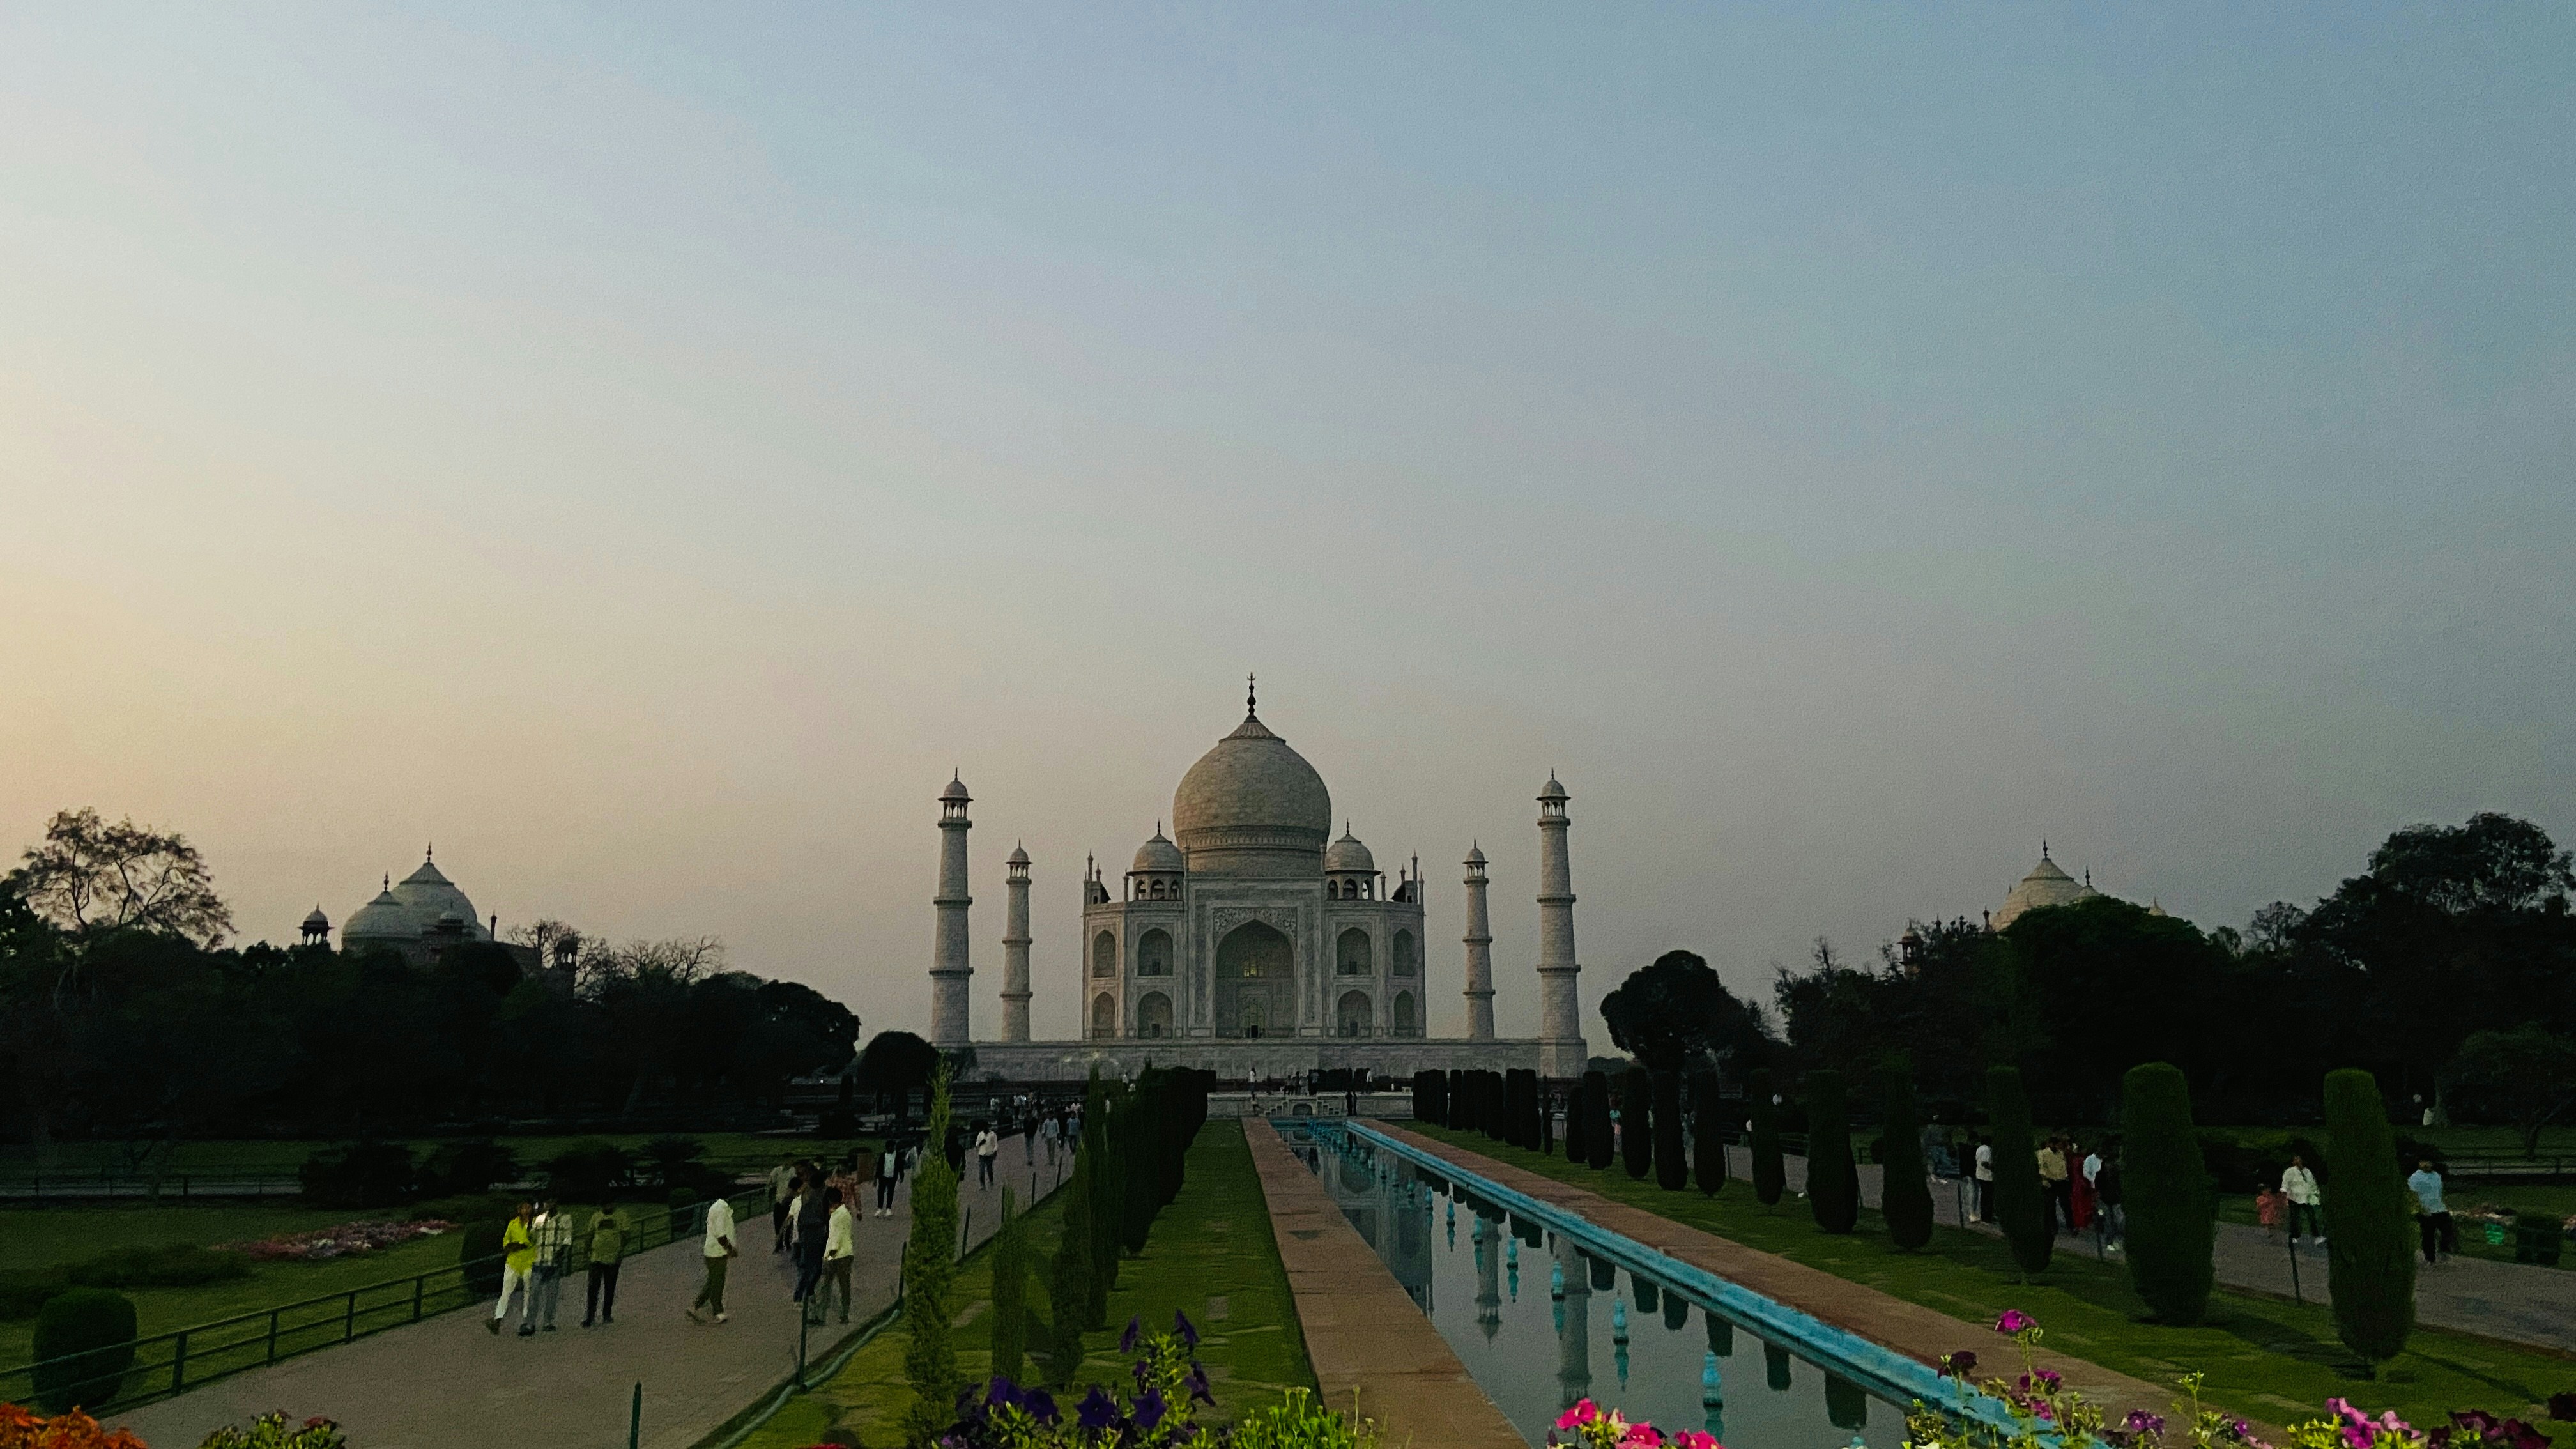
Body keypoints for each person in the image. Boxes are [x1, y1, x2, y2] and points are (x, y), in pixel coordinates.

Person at [687, 1192, 739, 1324]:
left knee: (712, 1281)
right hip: (717, 1252)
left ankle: (695, 1306)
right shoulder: (721, 1209)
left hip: (714, 1251)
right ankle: (718, 1311)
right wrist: (730, 1249)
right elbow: (720, 1234)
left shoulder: (718, 1208)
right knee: (718, 1282)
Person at [489, 1202, 538, 1336]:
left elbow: (532, 1241)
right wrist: (509, 1246)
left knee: (528, 1292)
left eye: (528, 1208)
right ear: (519, 1210)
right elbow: (506, 1240)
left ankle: (526, 1320)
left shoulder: (535, 1223)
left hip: (528, 1261)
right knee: (506, 1291)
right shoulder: (513, 1223)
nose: (526, 1210)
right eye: (523, 1208)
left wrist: (519, 1245)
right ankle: (498, 1319)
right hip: (513, 1262)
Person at [529, 1199, 574, 1331]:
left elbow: (568, 1238)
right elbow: (531, 1237)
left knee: (552, 1294)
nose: (549, 1205)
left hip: (554, 1262)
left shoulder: (565, 1219)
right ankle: (531, 1323)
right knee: (534, 1294)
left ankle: (547, 1322)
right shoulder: (539, 1219)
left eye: (551, 1203)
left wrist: (563, 1254)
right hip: (539, 1260)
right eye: (547, 1203)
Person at [582, 1199, 626, 1326]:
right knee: (593, 1287)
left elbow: (625, 1235)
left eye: (609, 1204)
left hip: (613, 1258)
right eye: (604, 1204)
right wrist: (586, 1253)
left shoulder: (621, 1216)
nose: (607, 1207)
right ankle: (590, 1316)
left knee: (610, 1286)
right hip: (596, 1257)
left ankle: (607, 1313)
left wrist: (620, 1252)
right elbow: (590, 1234)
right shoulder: (596, 1216)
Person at [793, 1167, 830, 1317]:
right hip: (812, 1237)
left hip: (815, 1237)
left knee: (815, 1268)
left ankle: (807, 1292)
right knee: (811, 1268)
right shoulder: (814, 1199)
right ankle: (801, 1295)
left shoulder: (814, 1198)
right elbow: (808, 1220)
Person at [2407, 1158, 2453, 1265]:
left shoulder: (2436, 1176)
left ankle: (2444, 1250)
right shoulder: (2415, 1178)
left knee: (2447, 1229)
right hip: (2425, 1210)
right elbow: (2413, 1195)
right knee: (2428, 1234)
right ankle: (2430, 1258)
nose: (2427, 1164)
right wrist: (2418, 1208)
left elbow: (2439, 1191)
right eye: (2425, 1162)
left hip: (2439, 1208)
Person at [2281, 1154, 2323, 1243]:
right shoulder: (2290, 1172)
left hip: (2306, 1198)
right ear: (2293, 1162)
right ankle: (2294, 1236)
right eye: (2296, 1159)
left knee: (2312, 1217)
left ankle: (2317, 1236)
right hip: (2294, 1198)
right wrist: (2285, 1195)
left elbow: (2312, 1183)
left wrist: (2316, 1193)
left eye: (2299, 1159)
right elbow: (2285, 1184)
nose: (2298, 1161)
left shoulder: (2307, 1171)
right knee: (2295, 1218)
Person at [2036, 1137, 2071, 1234]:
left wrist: (2065, 1177)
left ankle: (2071, 1226)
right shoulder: (2043, 1154)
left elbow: (2063, 1166)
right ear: (2051, 1144)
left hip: (2062, 1181)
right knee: (2051, 1206)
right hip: (2050, 1182)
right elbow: (2041, 1167)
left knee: (2066, 1205)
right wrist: (2045, 1181)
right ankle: (2053, 1227)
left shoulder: (2061, 1154)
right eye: (2057, 1144)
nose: (2059, 1147)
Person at [2094, 1149, 2125, 1252]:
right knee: (2109, 1222)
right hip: (2106, 1199)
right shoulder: (2101, 1174)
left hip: (2115, 1199)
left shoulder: (2117, 1174)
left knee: (2117, 1221)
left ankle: (2111, 1239)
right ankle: (2109, 1241)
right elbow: (2098, 1186)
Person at [769, 1158, 796, 1252]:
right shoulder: (777, 1171)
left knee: (789, 1222)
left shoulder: (793, 1171)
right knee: (778, 1223)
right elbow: (770, 1182)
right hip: (779, 1200)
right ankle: (779, 1243)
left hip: (789, 1200)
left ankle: (787, 1242)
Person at [875, 1138, 905, 1216]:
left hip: (892, 1177)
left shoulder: (897, 1155)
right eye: (890, 1147)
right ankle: (880, 1208)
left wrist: (901, 1176)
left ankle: (889, 1208)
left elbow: (900, 1166)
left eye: (893, 1147)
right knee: (881, 1192)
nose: (891, 1149)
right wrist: (876, 1178)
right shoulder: (883, 1155)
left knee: (890, 1192)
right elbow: (879, 1166)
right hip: (883, 1176)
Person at [1972, 1137, 1994, 1223]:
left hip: (1980, 1175)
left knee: (1984, 1196)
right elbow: (1984, 1162)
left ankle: (1985, 1215)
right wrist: (1993, 1168)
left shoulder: (1979, 1148)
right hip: (1987, 1176)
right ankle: (1987, 1216)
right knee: (1988, 1197)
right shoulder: (1987, 1150)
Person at [976, 1121, 1000, 1188]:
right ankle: (982, 1184)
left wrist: (995, 1151)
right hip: (982, 1155)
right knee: (982, 1170)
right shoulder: (980, 1135)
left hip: (990, 1155)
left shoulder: (992, 1135)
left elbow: (995, 1144)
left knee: (990, 1170)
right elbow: (977, 1145)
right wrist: (981, 1143)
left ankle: (991, 1180)